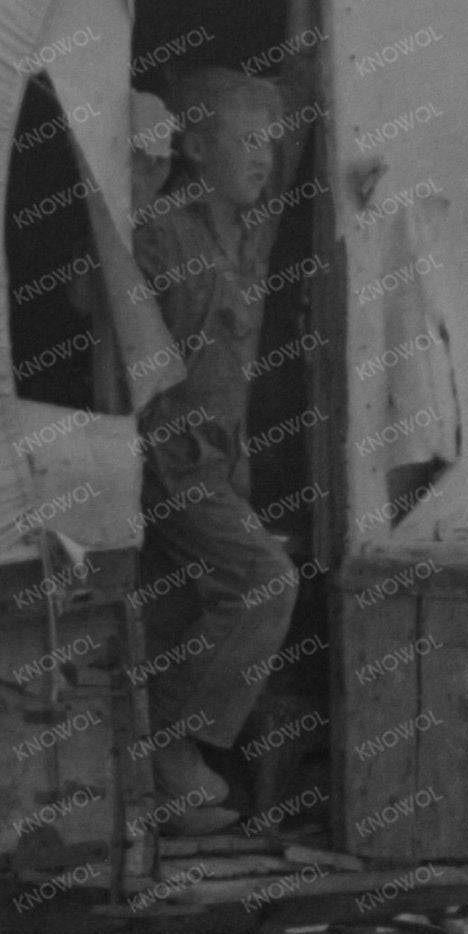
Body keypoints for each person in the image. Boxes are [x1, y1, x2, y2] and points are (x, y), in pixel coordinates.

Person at [127, 66, 301, 837]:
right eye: (244, 138)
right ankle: (164, 749)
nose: (263, 155)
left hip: (224, 458)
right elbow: (99, 314)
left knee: (187, 606)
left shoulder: (248, 227)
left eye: (271, 139)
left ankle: (173, 780)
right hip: (172, 453)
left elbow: (299, 124)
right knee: (262, 581)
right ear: (195, 147)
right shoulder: (163, 230)